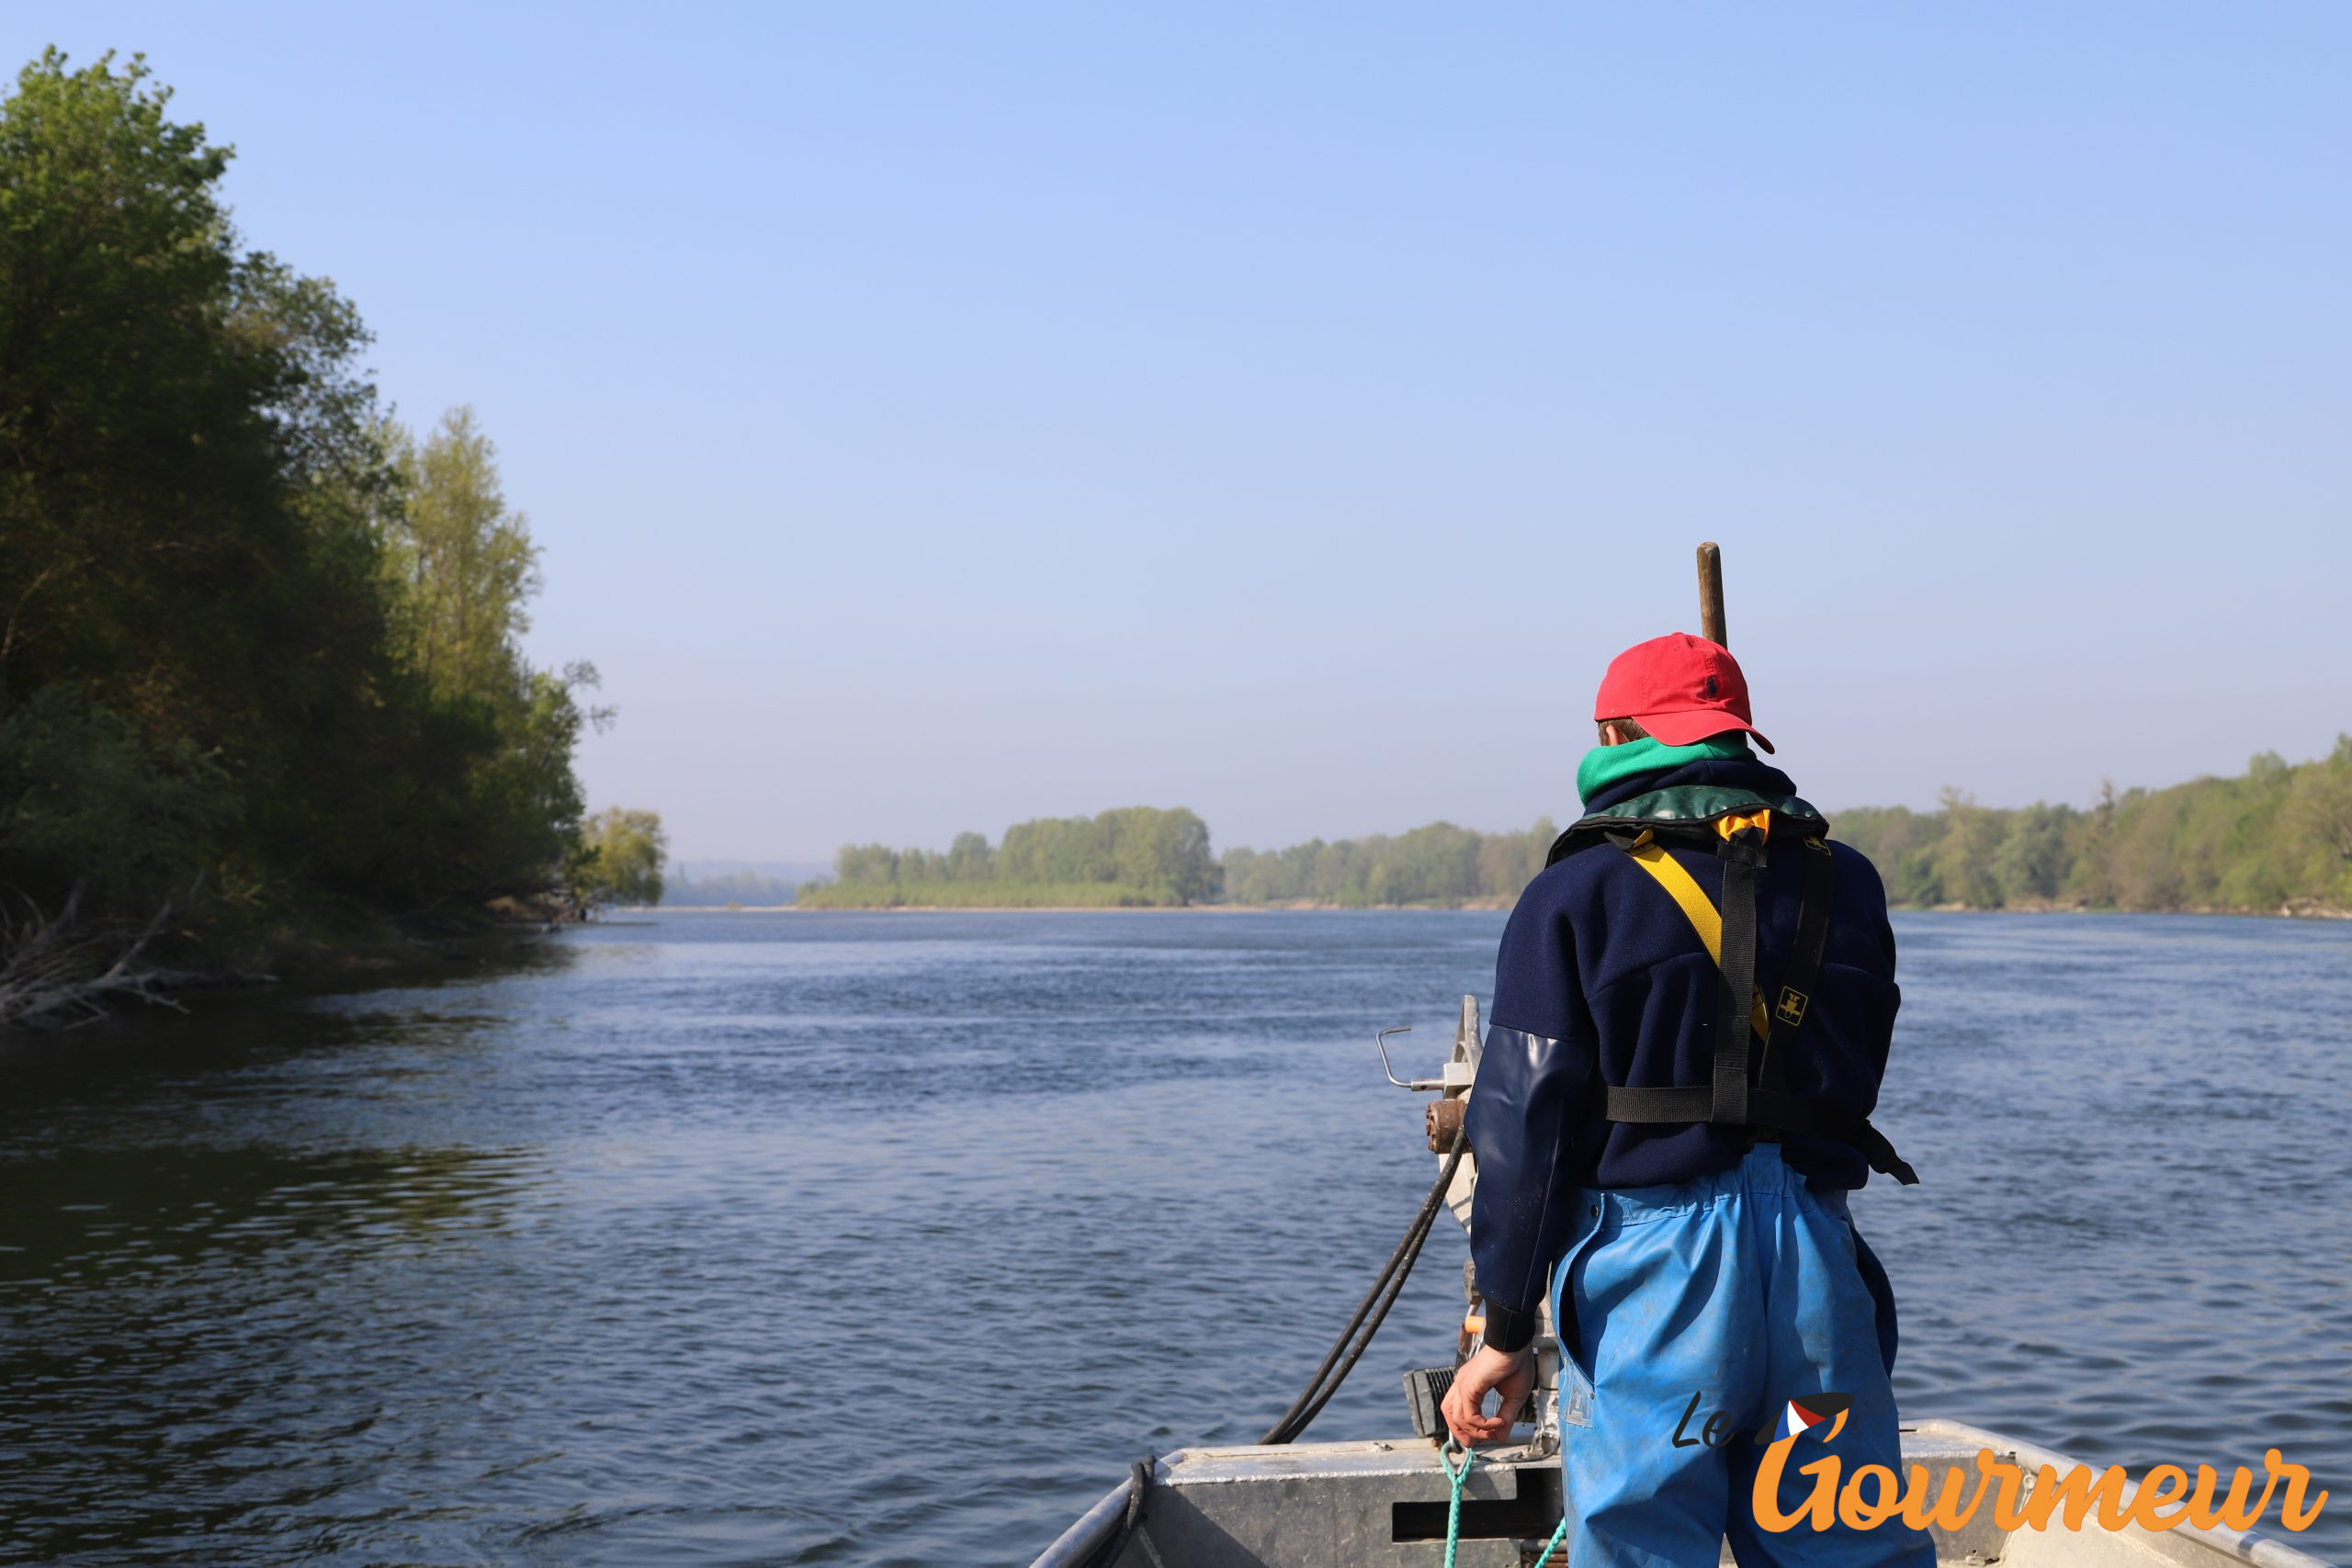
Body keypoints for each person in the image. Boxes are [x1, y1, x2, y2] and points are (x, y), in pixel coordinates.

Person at [1439, 632, 1931, 1568]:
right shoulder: (1848, 882)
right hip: (1816, 1266)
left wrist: (1505, 1330)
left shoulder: (1575, 893)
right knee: (1842, 1543)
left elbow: (1522, 1131)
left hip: (1658, 1275)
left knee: (1642, 1542)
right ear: (1740, 742)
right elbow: (1854, 1071)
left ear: (1616, 734)